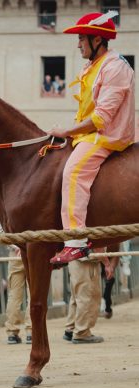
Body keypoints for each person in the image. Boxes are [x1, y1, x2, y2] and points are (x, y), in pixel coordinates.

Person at [49, 11, 135, 266]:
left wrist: (67, 131)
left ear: (97, 40)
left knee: (73, 171)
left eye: (81, 38)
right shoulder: (94, 65)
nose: (77, 44)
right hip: (91, 133)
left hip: (108, 135)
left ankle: (75, 241)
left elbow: (101, 118)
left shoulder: (115, 66)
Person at [64, 259, 104, 343]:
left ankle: (71, 329)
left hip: (73, 258)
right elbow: (97, 246)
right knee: (87, 296)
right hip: (86, 260)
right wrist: (107, 263)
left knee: (76, 296)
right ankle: (82, 333)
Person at [4, 245, 32, 343]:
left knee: (14, 295)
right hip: (32, 251)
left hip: (15, 254)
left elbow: (2, 231)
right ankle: (31, 331)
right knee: (33, 294)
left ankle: (12, 332)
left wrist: (16, 247)